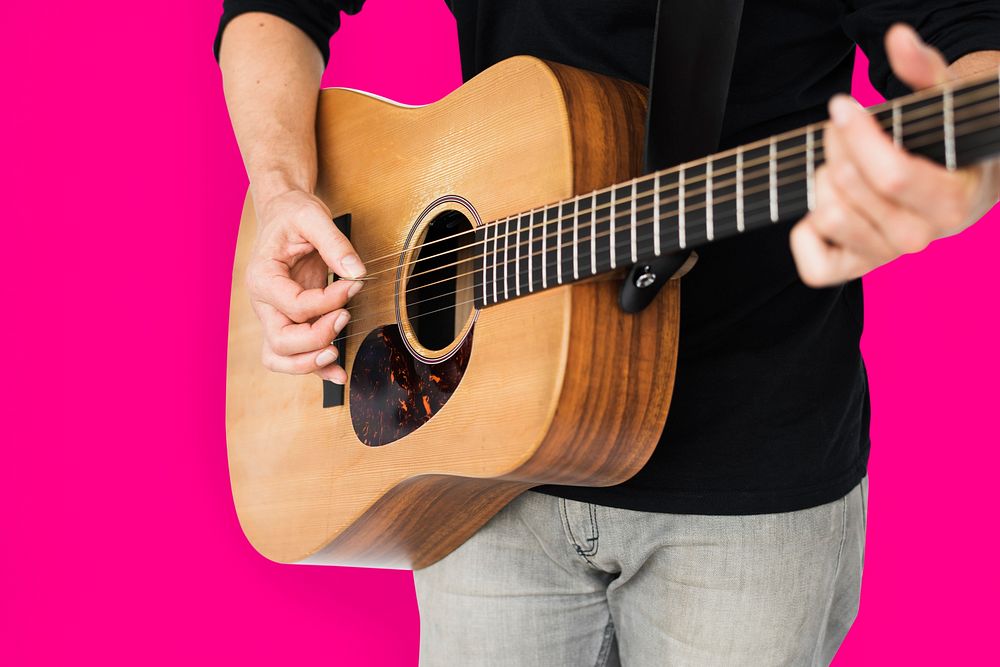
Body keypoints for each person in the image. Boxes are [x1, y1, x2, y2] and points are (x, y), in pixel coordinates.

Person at [214, 1, 1000, 664]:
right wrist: (282, 189)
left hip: (750, 477)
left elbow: (972, 45)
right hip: (481, 468)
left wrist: (958, 180)